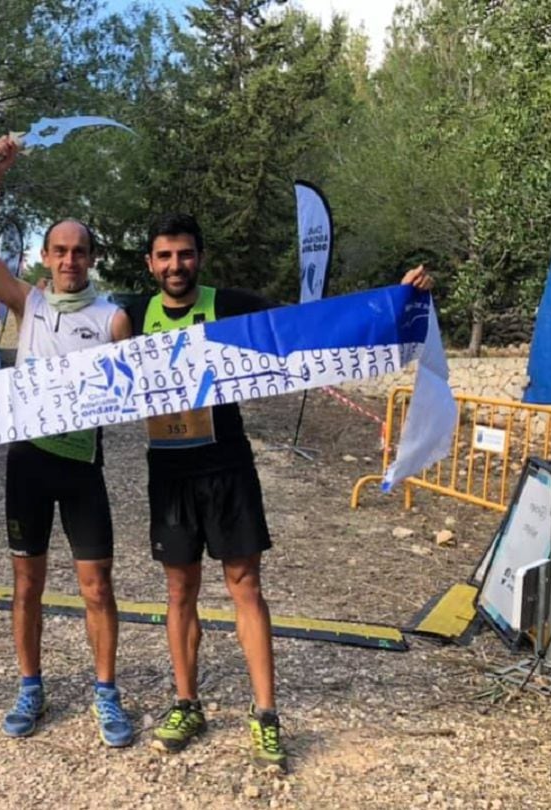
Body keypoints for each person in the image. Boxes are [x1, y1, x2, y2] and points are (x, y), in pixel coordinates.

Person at [127, 213, 432, 769]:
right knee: (179, 593)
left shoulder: (231, 304)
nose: (176, 266)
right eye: (165, 256)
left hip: (227, 466)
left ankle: (266, 713)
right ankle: (186, 702)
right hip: (168, 472)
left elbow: (315, 326)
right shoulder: (130, 315)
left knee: (244, 586)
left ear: (201, 256)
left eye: (186, 254)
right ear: (150, 263)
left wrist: (396, 299)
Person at [0, 135, 135, 747]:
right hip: (27, 462)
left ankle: (106, 693)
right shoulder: (29, 304)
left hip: (82, 466)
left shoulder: (113, 318)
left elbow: (139, 386)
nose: (69, 260)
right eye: (60, 250)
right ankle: (30, 686)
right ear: (45, 256)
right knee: (27, 584)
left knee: (96, 587)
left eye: (79, 251)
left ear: (91, 258)